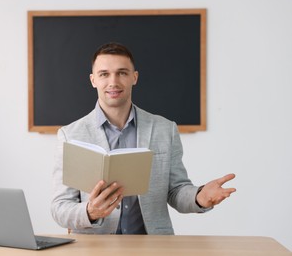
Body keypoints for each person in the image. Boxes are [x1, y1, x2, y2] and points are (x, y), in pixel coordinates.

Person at [51, 42, 236, 235]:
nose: (113, 82)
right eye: (104, 74)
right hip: (94, 247)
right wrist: (90, 212)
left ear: (134, 77)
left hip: (153, 246)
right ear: (93, 80)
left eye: (122, 72)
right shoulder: (70, 135)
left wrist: (199, 197)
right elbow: (60, 207)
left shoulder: (165, 129)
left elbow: (176, 191)